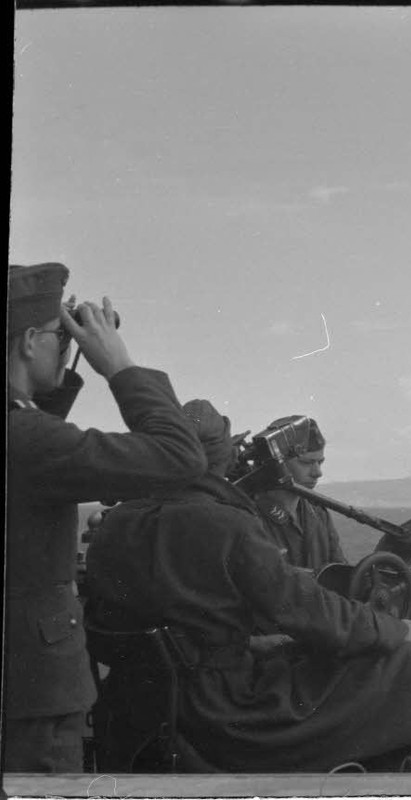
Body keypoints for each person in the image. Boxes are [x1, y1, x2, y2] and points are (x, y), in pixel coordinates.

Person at [83, 400, 411, 773]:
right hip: (223, 713)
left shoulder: (116, 525)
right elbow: (309, 611)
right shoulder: (226, 526)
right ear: (214, 462)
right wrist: (397, 630)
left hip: (140, 708)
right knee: (407, 664)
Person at [4, 262, 208, 773]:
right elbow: (179, 457)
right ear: (30, 340)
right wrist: (119, 365)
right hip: (34, 698)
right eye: (58, 336)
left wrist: (59, 366)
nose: (64, 343)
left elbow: (37, 436)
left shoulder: (25, 433)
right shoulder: (27, 440)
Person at [250, 415, 346, 572]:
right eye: (306, 463)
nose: (318, 472)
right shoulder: (251, 516)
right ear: (277, 465)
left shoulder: (318, 514)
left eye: (320, 462)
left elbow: (338, 571)